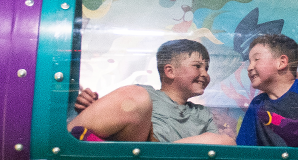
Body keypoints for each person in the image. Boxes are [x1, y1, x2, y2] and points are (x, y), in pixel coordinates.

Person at [69, 39, 236, 146]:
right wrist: (89, 105)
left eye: (206, 68)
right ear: (170, 71)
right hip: (134, 159)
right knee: (135, 97)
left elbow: (218, 148)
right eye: (197, 66)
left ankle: (153, 153)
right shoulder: (144, 94)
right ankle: (63, 142)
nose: (205, 74)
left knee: (225, 141)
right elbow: (119, 111)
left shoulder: (203, 114)